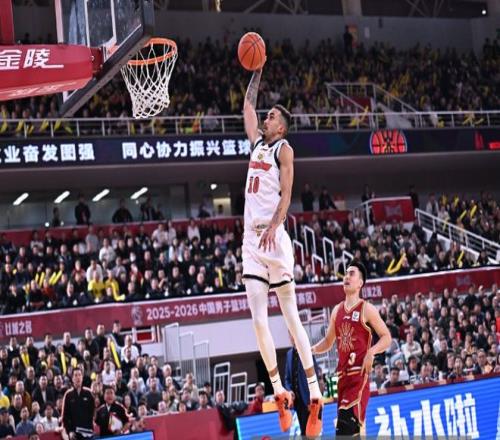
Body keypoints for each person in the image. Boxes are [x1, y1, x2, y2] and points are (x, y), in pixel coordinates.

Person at [242, 64, 323, 436]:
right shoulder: (257, 144)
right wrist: (256, 71)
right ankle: (279, 392)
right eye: (268, 114)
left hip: (274, 239)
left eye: (272, 116)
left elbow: (287, 194)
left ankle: (315, 393)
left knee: (291, 318)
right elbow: (248, 106)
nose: (267, 117)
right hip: (250, 242)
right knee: (258, 321)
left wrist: (275, 225)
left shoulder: (283, 149)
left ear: (282, 128)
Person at [312, 260, 391, 438]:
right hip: (342, 379)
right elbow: (328, 341)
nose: (346, 277)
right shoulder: (336, 310)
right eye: (346, 273)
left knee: (346, 425)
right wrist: (311, 350)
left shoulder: (367, 309)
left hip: (359, 376)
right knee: (349, 431)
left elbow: (387, 337)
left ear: (360, 283)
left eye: (351, 273)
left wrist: (371, 352)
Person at [284, 337, 321, 435]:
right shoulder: (289, 354)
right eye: (290, 334)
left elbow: (315, 374)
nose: (292, 337)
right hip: (298, 403)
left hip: (309, 400)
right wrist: (289, 390)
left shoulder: (307, 350)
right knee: (303, 432)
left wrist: (313, 397)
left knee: (313, 433)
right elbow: (287, 378)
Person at [61, 368, 95, 440]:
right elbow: (65, 416)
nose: (78, 377)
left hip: (88, 432)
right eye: (75, 375)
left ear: (82, 377)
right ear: (72, 378)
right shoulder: (68, 394)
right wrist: (69, 431)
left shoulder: (89, 393)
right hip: (74, 434)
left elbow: (93, 412)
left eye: (79, 375)